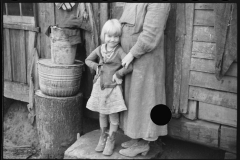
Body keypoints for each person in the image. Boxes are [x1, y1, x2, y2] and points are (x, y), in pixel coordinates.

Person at [118, 3, 171, 157]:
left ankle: (144, 143)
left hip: (146, 60)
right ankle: (137, 138)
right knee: (134, 101)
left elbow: (151, 33)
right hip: (133, 59)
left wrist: (132, 53)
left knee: (146, 99)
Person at [85, 19, 133, 156]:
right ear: (104, 36)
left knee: (113, 114)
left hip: (113, 88)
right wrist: (96, 67)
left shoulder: (119, 52)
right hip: (100, 86)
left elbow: (129, 66)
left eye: (116, 36)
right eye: (109, 36)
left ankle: (111, 139)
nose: (112, 39)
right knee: (102, 113)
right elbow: (88, 60)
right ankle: (103, 136)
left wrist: (119, 73)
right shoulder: (100, 49)